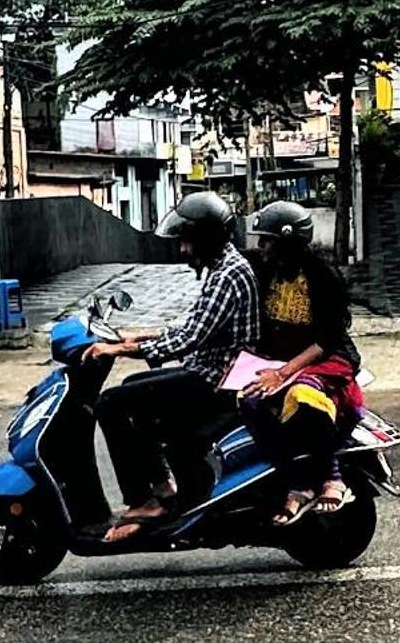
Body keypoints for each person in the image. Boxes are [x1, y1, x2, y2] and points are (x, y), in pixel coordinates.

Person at [87, 188, 259, 539]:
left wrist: (117, 352)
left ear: (207, 238)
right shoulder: (221, 268)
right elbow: (191, 324)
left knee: (110, 404)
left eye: (187, 241)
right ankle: (164, 485)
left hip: (217, 380)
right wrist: (138, 337)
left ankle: (147, 499)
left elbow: (189, 339)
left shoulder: (229, 274)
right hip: (208, 370)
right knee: (129, 390)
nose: (182, 249)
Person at [237, 200, 364, 526]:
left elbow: (327, 339)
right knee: (250, 402)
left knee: (302, 396)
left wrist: (284, 373)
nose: (261, 246)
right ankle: (296, 481)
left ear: (288, 241)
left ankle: (332, 474)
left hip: (324, 358)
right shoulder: (265, 270)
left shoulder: (322, 277)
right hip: (279, 359)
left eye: (267, 240)